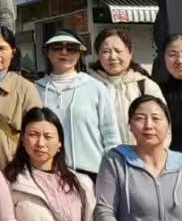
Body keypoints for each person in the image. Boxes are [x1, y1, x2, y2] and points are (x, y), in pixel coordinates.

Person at [35, 31, 120, 178]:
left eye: (71, 48)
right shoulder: (35, 88)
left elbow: (111, 135)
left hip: (92, 173)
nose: (64, 52)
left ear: (80, 53)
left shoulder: (96, 87)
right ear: (47, 52)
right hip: (45, 172)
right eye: (57, 47)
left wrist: (113, 171)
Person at [0, 24, 41, 169]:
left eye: (2, 48)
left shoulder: (26, 88)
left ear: (12, 52)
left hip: (12, 168)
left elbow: (37, 131)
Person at [91, 28, 162, 140]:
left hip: (140, 150)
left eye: (118, 51)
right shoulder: (90, 86)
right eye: (106, 52)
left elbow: (163, 125)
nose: (113, 57)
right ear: (98, 56)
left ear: (130, 53)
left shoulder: (145, 85)